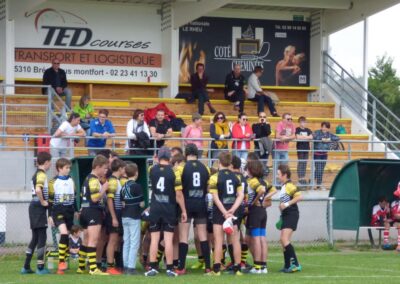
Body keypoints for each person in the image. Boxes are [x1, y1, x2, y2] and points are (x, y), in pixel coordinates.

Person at [145, 147, 187, 277]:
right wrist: (184, 210)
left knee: (154, 239)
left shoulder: (152, 170)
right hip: (169, 208)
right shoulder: (174, 172)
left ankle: (152, 267)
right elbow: (179, 195)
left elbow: (152, 167)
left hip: (155, 208)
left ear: (158, 157)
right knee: (168, 239)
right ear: (170, 158)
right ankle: (169, 268)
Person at [176, 143, 211, 275]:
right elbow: (208, 189)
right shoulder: (205, 168)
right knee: (202, 235)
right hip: (201, 204)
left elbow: (179, 191)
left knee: (183, 236)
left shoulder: (181, 168)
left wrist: (183, 209)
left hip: (187, 204)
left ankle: (181, 267)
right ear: (197, 154)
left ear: (186, 154)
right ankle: (208, 267)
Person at [208, 152, 244, 276]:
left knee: (218, 241)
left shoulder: (215, 177)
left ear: (219, 162)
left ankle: (217, 270)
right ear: (230, 163)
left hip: (220, 212)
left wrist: (224, 212)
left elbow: (215, 197)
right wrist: (232, 209)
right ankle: (238, 268)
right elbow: (241, 195)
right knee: (235, 241)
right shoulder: (236, 177)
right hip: (232, 212)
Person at [78, 155, 109, 275]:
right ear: (98, 167)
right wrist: (104, 189)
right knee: (93, 240)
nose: (105, 171)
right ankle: (93, 268)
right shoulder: (94, 180)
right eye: (104, 168)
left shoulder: (87, 178)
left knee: (85, 240)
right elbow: (95, 198)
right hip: (93, 211)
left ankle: (81, 267)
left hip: (85, 211)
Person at [21, 152, 52, 275]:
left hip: (33, 206)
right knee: (42, 236)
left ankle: (26, 266)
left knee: (35, 237)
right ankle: (40, 267)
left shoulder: (35, 174)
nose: (50, 165)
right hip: (38, 207)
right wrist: (43, 201)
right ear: (46, 162)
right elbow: (39, 189)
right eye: (50, 162)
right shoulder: (41, 174)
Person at [246, 160, 277, 274]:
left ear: (251, 170)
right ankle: (263, 266)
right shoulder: (264, 181)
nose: (246, 171)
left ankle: (257, 266)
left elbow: (261, 190)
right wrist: (264, 199)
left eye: (248, 169)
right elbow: (274, 190)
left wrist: (256, 200)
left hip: (255, 211)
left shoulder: (253, 181)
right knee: (262, 237)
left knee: (256, 238)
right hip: (263, 211)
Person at [48, 158, 76, 275]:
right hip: (58, 210)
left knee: (67, 236)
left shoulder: (71, 181)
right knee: (63, 233)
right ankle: (61, 262)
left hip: (69, 210)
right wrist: (49, 215)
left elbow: (74, 198)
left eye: (69, 168)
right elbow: (50, 200)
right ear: (59, 168)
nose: (68, 170)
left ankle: (62, 266)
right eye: (66, 168)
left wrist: (76, 211)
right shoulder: (53, 182)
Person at [277, 165, 302, 273]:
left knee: (284, 239)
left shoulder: (289, 185)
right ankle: (287, 265)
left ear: (284, 175)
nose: (277, 176)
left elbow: (299, 197)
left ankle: (296, 264)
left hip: (292, 214)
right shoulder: (283, 186)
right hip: (286, 214)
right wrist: (281, 208)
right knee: (283, 240)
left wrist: (286, 204)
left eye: (278, 174)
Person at [120, 162, 145, 274]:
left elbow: (123, 203)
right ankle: (131, 267)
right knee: (134, 242)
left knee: (127, 241)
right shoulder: (137, 186)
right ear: (136, 173)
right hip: (134, 216)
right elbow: (142, 204)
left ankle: (125, 266)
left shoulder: (123, 186)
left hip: (124, 216)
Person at [105, 159, 126, 275]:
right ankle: (110, 265)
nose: (125, 170)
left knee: (117, 240)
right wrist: (113, 217)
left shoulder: (116, 181)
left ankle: (118, 265)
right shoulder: (113, 181)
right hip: (114, 213)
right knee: (112, 240)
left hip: (118, 213)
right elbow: (109, 200)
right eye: (123, 168)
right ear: (120, 169)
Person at [313, 122, 340, 190]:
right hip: (317, 154)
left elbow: (337, 138)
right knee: (318, 169)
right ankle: (316, 183)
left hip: (324, 155)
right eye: (323, 127)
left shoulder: (329, 134)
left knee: (321, 170)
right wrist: (323, 139)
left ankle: (317, 184)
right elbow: (314, 137)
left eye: (326, 127)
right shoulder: (317, 132)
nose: (324, 128)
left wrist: (329, 139)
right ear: (321, 127)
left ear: (328, 128)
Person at [295, 117, 313, 185]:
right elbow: (298, 137)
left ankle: (303, 177)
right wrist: (306, 138)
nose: (304, 123)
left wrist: (303, 137)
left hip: (306, 148)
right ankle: (300, 177)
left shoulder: (308, 130)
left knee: (305, 162)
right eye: (302, 122)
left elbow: (311, 137)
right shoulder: (297, 129)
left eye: (305, 122)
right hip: (300, 148)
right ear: (299, 122)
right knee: (301, 162)